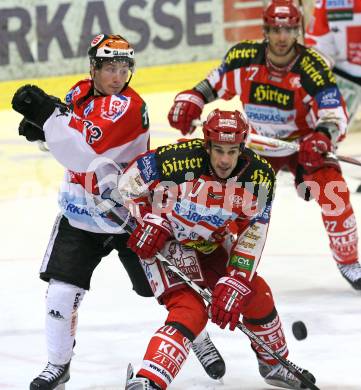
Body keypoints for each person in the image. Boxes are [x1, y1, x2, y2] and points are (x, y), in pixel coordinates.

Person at [11, 34, 224, 390]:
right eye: (110, 67)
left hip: (130, 216)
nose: (118, 75)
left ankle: (197, 336)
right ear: (93, 67)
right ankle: (58, 364)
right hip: (80, 215)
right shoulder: (78, 93)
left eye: (124, 67)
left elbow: (84, 155)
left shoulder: (128, 106)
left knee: (165, 290)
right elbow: (64, 142)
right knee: (61, 293)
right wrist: (41, 132)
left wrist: (48, 119)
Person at [112, 108, 317, 389]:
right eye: (218, 150)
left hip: (212, 242)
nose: (224, 159)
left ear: (242, 148)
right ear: (206, 145)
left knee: (256, 294)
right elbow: (125, 185)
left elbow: (253, 232)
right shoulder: (175, 160)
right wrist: (149, 218)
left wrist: (236, 278)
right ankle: (148, 380)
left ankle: (274, 364)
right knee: (190, 310)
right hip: (166, 240)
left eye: (232, 151)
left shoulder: (260, 178)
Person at [167, 0, 361, 290]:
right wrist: (191, 101)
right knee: (228, 199)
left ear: (298, 30)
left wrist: (323, 136)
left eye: (288, 30)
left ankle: (349, 261)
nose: (282, 37)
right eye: (275, 29)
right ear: (265, 30)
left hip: (302, 149)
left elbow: (333, 111)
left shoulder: (313, 66)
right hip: (257, 147)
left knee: (334, 194)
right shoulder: (244, 58)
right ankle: (219, 260)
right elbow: (211, 84)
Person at [304, 0, 361, 121]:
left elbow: (318, 46)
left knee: (329, 130)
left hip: (345, 77)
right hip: (346, 78)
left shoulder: (326, 2)